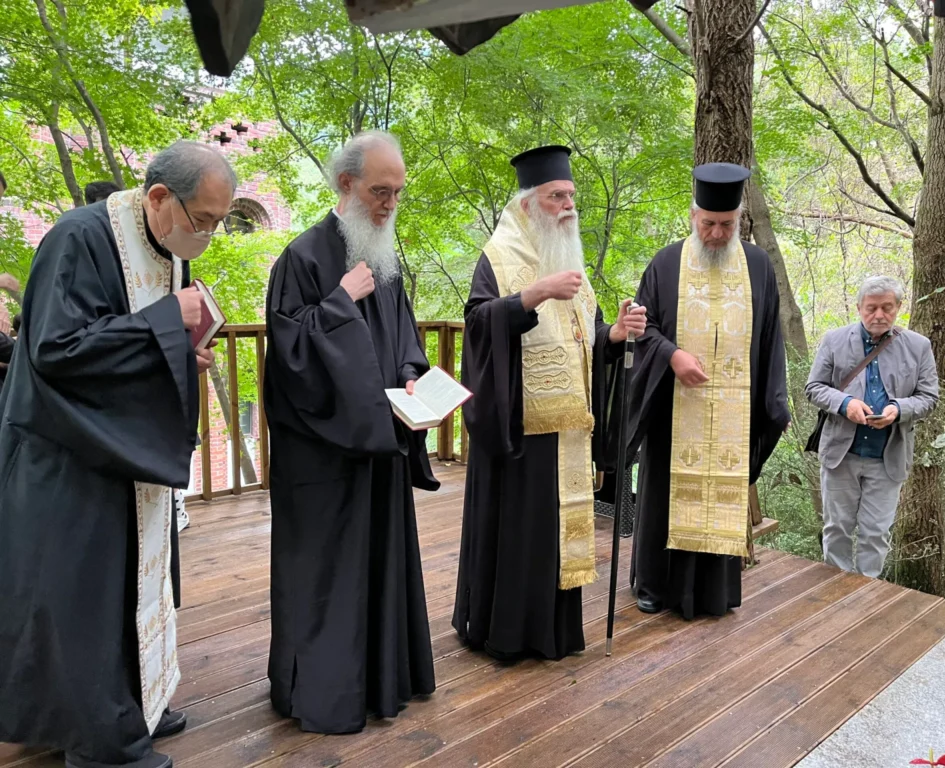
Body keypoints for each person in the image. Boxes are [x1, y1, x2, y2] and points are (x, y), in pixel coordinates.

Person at [0, 140, 234, 768]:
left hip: (120, 451)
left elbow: (135, 343)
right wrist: (165, 323)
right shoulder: (77, 239)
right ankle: (103, 740)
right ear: (159, 197)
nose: (208, 233)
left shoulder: (164, 245)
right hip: (67, 455)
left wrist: (185, 351)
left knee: (133, 587)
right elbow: (56, 349)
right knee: (83, 599)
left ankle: (132, 703)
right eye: (202, 219)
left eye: (219, 221)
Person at [264, 130, 438, 735]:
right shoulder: (302, 258)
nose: (389, 204)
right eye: (379, 191)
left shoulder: (385, 256)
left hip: (380, 446)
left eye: (397, 193)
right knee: (328, 575)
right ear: (345, 184)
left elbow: (405, 343)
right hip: (324, 460)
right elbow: (289, 359)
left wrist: (414, 381)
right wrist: (339, 300)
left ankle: (384, 678)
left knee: (381, 563)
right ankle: (324, 692)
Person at [453, 145, 647, 661]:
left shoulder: (570, 260)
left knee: (561, 536)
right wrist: (532, 295)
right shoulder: (498, 257)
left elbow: (585, 339)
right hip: (521, 431)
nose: (567, 206)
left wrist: (615, 334)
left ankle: (556, 633)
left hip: (569, 430)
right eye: (556, 196)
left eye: (570, 196)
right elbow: (476, 326)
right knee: (524, 534)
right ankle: (510, 634)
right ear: (526, 206)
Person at [627, 162, 790, 619]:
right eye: (709, 224)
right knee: (664, 496)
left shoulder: (758, 265)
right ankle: (655, 587)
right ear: (693, 217)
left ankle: (712, 593)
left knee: (722, 492)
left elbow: (769, 338)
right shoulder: (665, 263)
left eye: (727, 224)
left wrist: (773, 401)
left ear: (739, 220)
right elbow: (645, 329)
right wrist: (672, 357)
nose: (717, 234)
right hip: (673, 408)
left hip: (734, 414)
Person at [805, 275, 938, 578]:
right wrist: (845, 404)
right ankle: (835, 589)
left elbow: (929, 397)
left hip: (888, 456)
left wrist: (898, 409)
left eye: (887, 308)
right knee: (836, 528)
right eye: (872, 308)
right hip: (842, 452)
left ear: (899, 307)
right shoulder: (834, 340)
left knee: (876, 532)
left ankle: (867, 592)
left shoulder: (918, 347)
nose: (879, 315)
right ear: (859, 308)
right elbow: (814, 387)